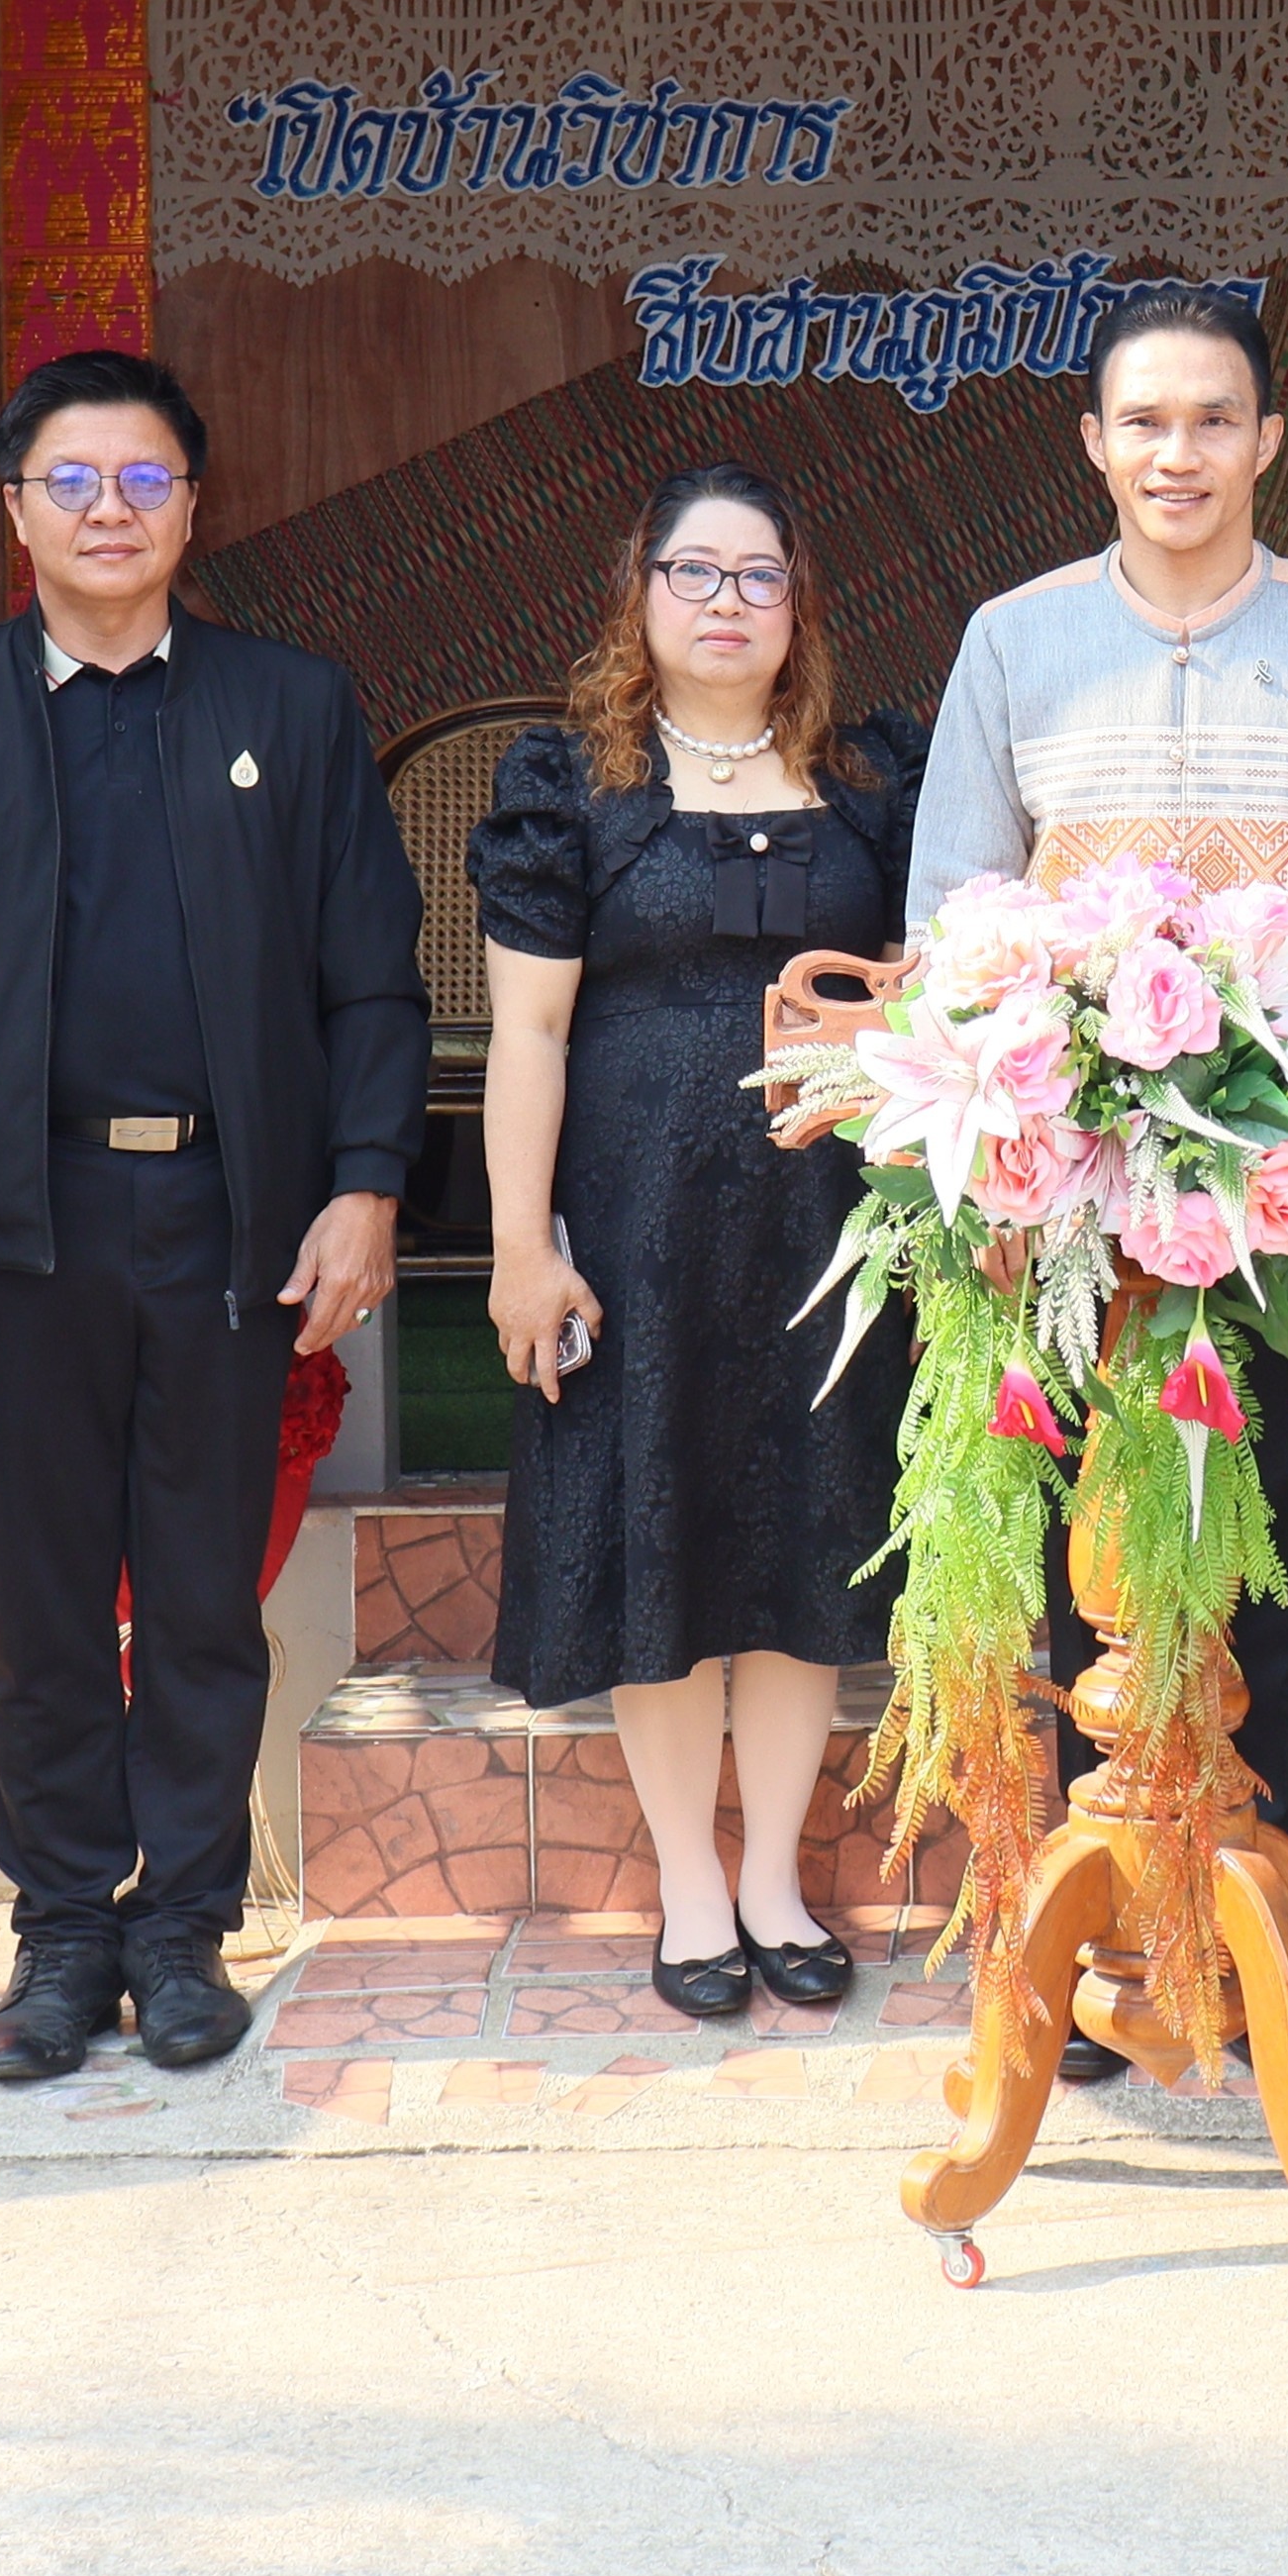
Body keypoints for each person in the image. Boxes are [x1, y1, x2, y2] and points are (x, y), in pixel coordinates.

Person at [0, 348, 429, 2086]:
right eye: (74, 481)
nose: (111, 509)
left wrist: (365, 1185)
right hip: (12, 1230)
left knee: (196, 1593)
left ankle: (181, 1930)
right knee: (34, 1599)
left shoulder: (286, 708)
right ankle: (59, 1935)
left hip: (230, 1218)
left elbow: (370, 980)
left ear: (192, 505)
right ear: (14, 511)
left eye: (145, 478)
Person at [911, 279, 1288, 2071]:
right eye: (1144, 422)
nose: (1179, 452)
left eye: (1213, 419)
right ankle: (1089, 1945)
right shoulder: (1013, 641)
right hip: (1061, 1211)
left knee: (1263, 1565)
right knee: (1066, 1567)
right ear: (1094, 443)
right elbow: (952, 918)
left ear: (1267, 441)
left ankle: (1248, 1940)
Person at [475, 462, 922, 2021]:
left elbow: (930, 994)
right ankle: (687, 1887)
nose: (727, 603)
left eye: (759, 575)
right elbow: (528, 1035)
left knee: (806, 1545)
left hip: (830, 1227)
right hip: (637, 1231)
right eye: (695, 572)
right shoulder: (570, 786)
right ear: (641, 593)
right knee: (655, 1552)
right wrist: (521, 1247)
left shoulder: (872, 778)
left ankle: (777, 1880)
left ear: (800, 604)